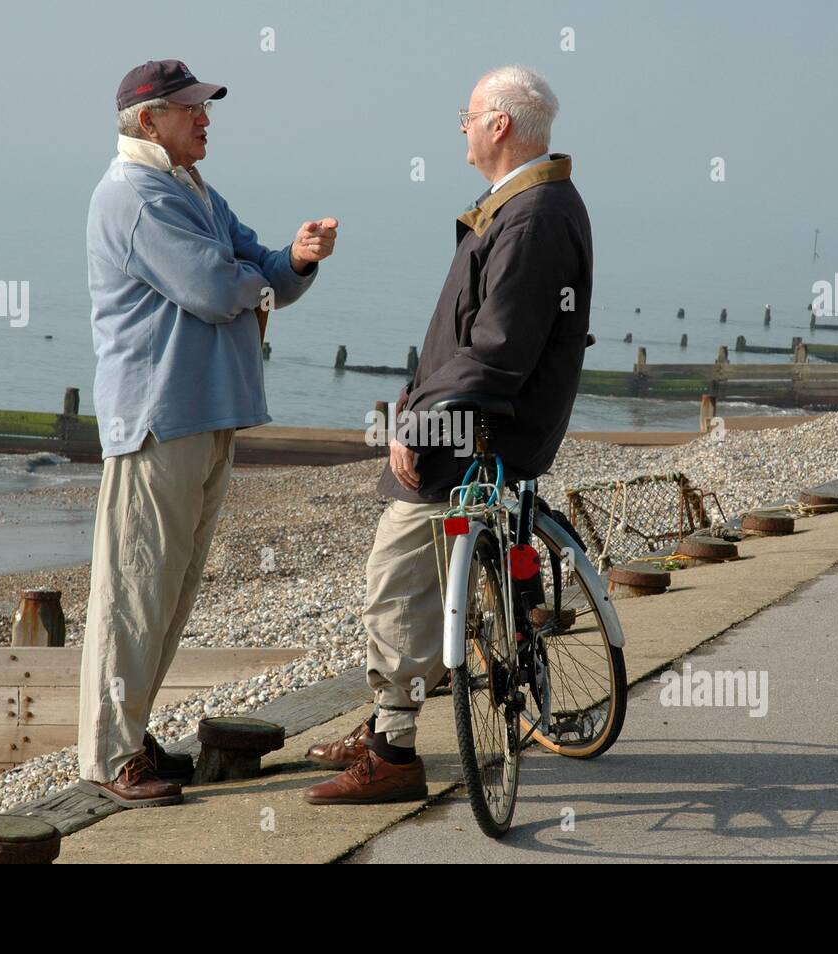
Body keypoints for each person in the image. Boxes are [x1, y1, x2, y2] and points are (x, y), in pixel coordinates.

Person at [304, 64, 591, 805]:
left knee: (395, 582)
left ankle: (395, 752)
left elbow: (497, 352)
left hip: (476, 438)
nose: (460, 129)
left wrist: (421, 422)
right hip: (471, 422)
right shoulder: (526, 204)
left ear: (498, 125)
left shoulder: (530, 217)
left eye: (465, 117)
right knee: (410, 579)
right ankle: (385, 724)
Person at [78, 58, 337, 807]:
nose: (206, 118)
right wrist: (257, 276)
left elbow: (256, 270)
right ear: (148, 119)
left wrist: (293, 260)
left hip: (206, 412)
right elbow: (212, 287)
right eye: (191, 109)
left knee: (171, 590)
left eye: (204, 107)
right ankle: (111, 753)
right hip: (159, 418)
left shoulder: (188, 189)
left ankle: (130, 735)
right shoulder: (132, 195)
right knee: (135, 592)